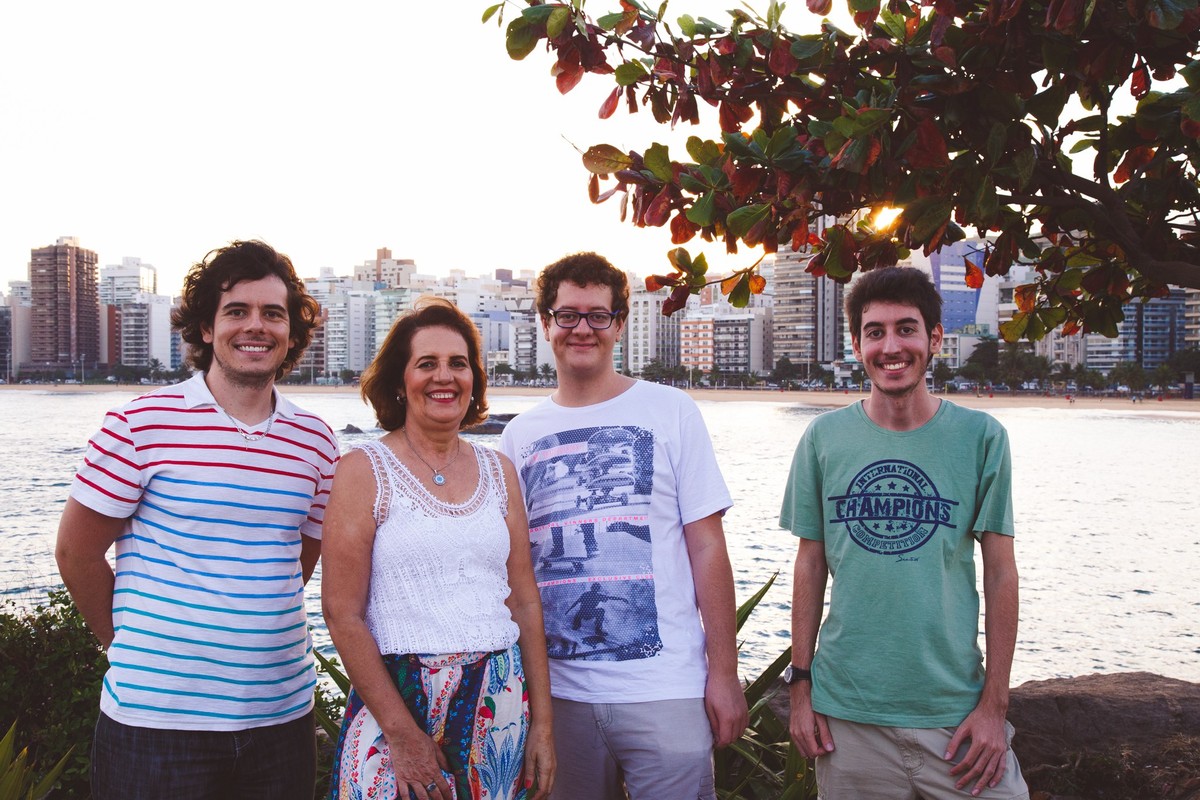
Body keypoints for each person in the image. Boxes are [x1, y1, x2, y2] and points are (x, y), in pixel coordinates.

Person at [55, 240, 339, 799]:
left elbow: (296, 560)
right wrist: (127, 648)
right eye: (237, 311)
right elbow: (76, 553)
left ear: (290, 333)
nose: (255, 326)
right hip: (156, 721)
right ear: (207, 329)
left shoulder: (317, 441)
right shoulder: (140, 423)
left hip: (280, 718)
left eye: (272, 314)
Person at [499, 252, 748, 800]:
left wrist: (724, 674)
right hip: (558, 697)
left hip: (666, 689)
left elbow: (707, 547)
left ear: (619, 324)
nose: (581, 328)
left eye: (597, 315)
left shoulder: (671, 409)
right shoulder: (518, 436)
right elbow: (514, 569)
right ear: (545, 323)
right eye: (567, 315)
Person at [780, 266, 1029, 800]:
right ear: (856, 344)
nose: (891, 346)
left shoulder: (982, 437)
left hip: (955, 714)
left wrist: (994, 705)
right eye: (875, 332)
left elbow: (1001, 572)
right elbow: (810, 564)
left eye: (906, 328)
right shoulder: (824, 438)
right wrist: (801, 689)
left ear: (934, 338)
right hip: (848, 718)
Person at [321, 297, 554, 800]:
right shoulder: (363, 471)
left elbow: (525, 601)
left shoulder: (500, 473)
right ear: (400, 381)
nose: (444, 377)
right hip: (395, 701)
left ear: (474, 380)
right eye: (426, 363)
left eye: (458, 363)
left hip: (500, 700)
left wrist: (543, 725)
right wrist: (403, 737)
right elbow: (342, 613)